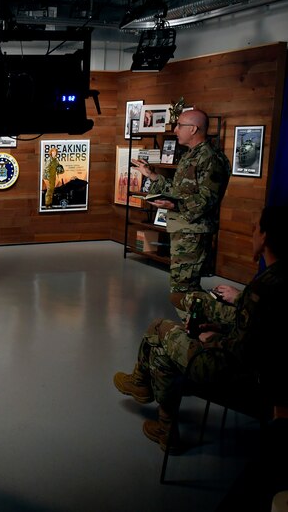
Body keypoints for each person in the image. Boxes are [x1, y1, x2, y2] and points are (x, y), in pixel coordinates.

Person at [113, 205, 286, 454]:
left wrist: (212, 338)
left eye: (256, 227)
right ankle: (158, 415)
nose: (252, 232)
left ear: (266, 236)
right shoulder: (278, 279)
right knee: (164, 349)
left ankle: (151, 400)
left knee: (158, 331)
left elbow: (243, 352)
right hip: (269, 379)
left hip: (239, 378)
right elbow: (259, 335)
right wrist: (219, 328)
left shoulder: (264, 289)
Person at [131, 109, 230, 310]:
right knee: (183, 288)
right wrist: (151, 175)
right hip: (183, 229)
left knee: (183, 290)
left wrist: (174, 204)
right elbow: (179, 190)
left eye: (179, 126)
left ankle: (212, 327)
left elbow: (207, 198)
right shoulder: (190, 155)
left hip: (194, 232)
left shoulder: (210, 158)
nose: (175, 130)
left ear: (193, 129)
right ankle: (201, 329)